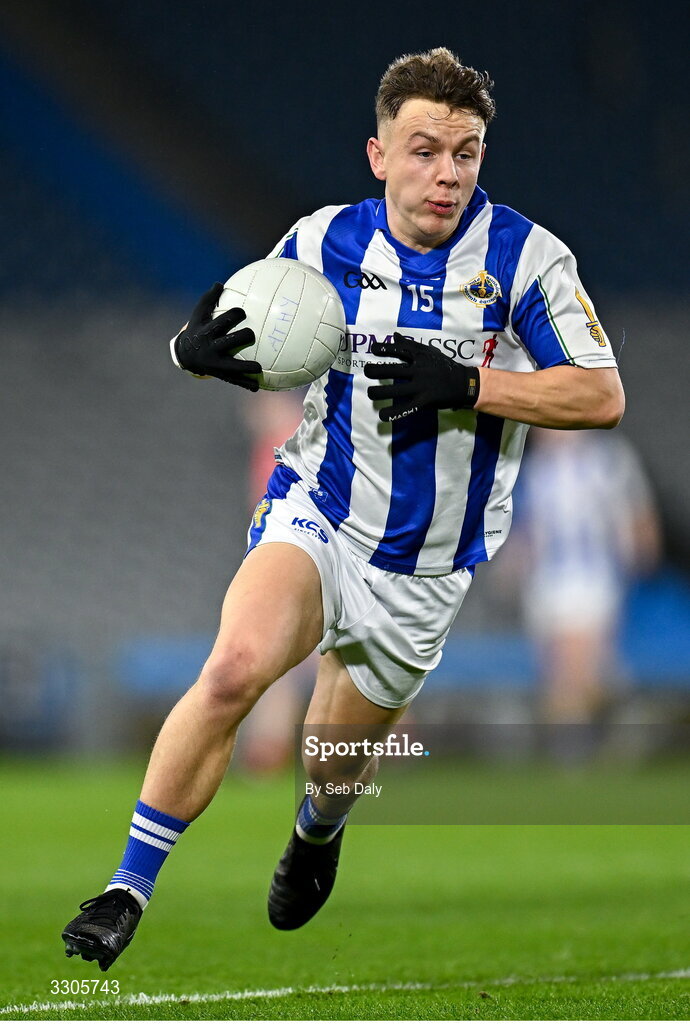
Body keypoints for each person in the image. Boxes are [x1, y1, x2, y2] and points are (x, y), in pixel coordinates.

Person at [61, 47, 624, 970]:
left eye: (466, 153)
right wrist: (189, 350)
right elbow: (252, 331)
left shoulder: (527, 257)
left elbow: (601, 397)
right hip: (319, 512)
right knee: (237, 667)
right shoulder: (323, 240)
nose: (446, 173)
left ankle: (317, 831)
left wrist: (472, 384)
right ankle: (127, 886)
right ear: (378, 154)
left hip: (426, 567)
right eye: (424, 149)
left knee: (328, 764)